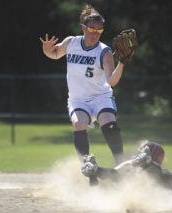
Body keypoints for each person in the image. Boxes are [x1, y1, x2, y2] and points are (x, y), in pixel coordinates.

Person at [39, 4, 129, 164]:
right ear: (83, 27)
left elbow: (112, 81)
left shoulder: (104, 51)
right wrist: (46, 49)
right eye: (92, 29)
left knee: (108, 124)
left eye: (99, 30)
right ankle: (86, 163)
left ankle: (121, 163)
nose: (96, 33)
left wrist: (121, 63)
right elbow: (54, 54)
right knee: (78, 123)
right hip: (78, 100)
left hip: (101, 97)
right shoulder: (71, 43)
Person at [81, 141, 172, 192]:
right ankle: (149, 164)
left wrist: (97, 174)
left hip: (130, 184)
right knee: (164, 177)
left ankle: (96, 169)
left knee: (117, 177)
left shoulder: (131, 163)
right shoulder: (163, 175)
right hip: (139, 186)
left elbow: (113, 172)